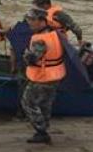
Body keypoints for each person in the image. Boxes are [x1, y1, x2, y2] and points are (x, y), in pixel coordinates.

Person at [22, 8, 67, 144]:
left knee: (27, 102)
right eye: (28, 19)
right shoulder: (55, 34)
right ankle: (44, 127)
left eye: (32, 20)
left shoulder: (39, 40)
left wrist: (26, 54)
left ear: (42, 21)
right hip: (56, 74)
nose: (29, 22)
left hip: (42, 77)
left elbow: (33, 59)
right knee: (45, 104)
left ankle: (41, 130)